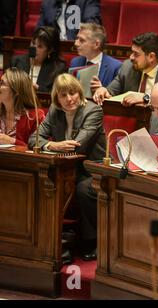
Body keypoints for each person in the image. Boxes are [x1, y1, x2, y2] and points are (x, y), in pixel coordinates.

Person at [28, 73, 106, 261]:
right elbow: (34, 139)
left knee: (83, 188)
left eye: (73, 93)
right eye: (63, 95)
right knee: (40, 182)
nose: (69, 99)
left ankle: (94, 241)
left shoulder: (93, 111)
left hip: (90, 169)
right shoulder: (55, 110)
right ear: (57, 98)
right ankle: (48, 238)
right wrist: (52, 145)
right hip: (64, 167)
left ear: (79, 93)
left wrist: (57, 145)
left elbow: (78, 145)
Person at [93, 32, 158, 108]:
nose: (131, 57)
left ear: (151, 57)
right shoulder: (128, 66)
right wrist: (103, 90)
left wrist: (146, 98)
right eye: (132, 52)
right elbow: (111, 91)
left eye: (136, 54)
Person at [11, 26, 67, 93]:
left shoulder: (58, 68)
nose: (34, 48)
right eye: (33, 43)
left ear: (50, 50)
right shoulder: (16, 62)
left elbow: (55, 95)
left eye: (40, 46)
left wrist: (37, 90)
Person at [0, 68, 45, 146]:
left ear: (16, 90)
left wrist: (12, 141)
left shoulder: (35, 117)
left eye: (2, 83)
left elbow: (39, 149)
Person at [70, 23, 122, 90]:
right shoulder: (75, 62)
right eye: (77, 38)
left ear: (96, 44)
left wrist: (103, 90)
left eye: (82, 40)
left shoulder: (115, 67)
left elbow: (116, 94)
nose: (76, 43)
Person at [36, 0, 101, 41]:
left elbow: (92, 26)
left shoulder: (88, 1)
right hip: (53, 51)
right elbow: (39, 31)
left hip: (76, 49)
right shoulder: (48, 3)